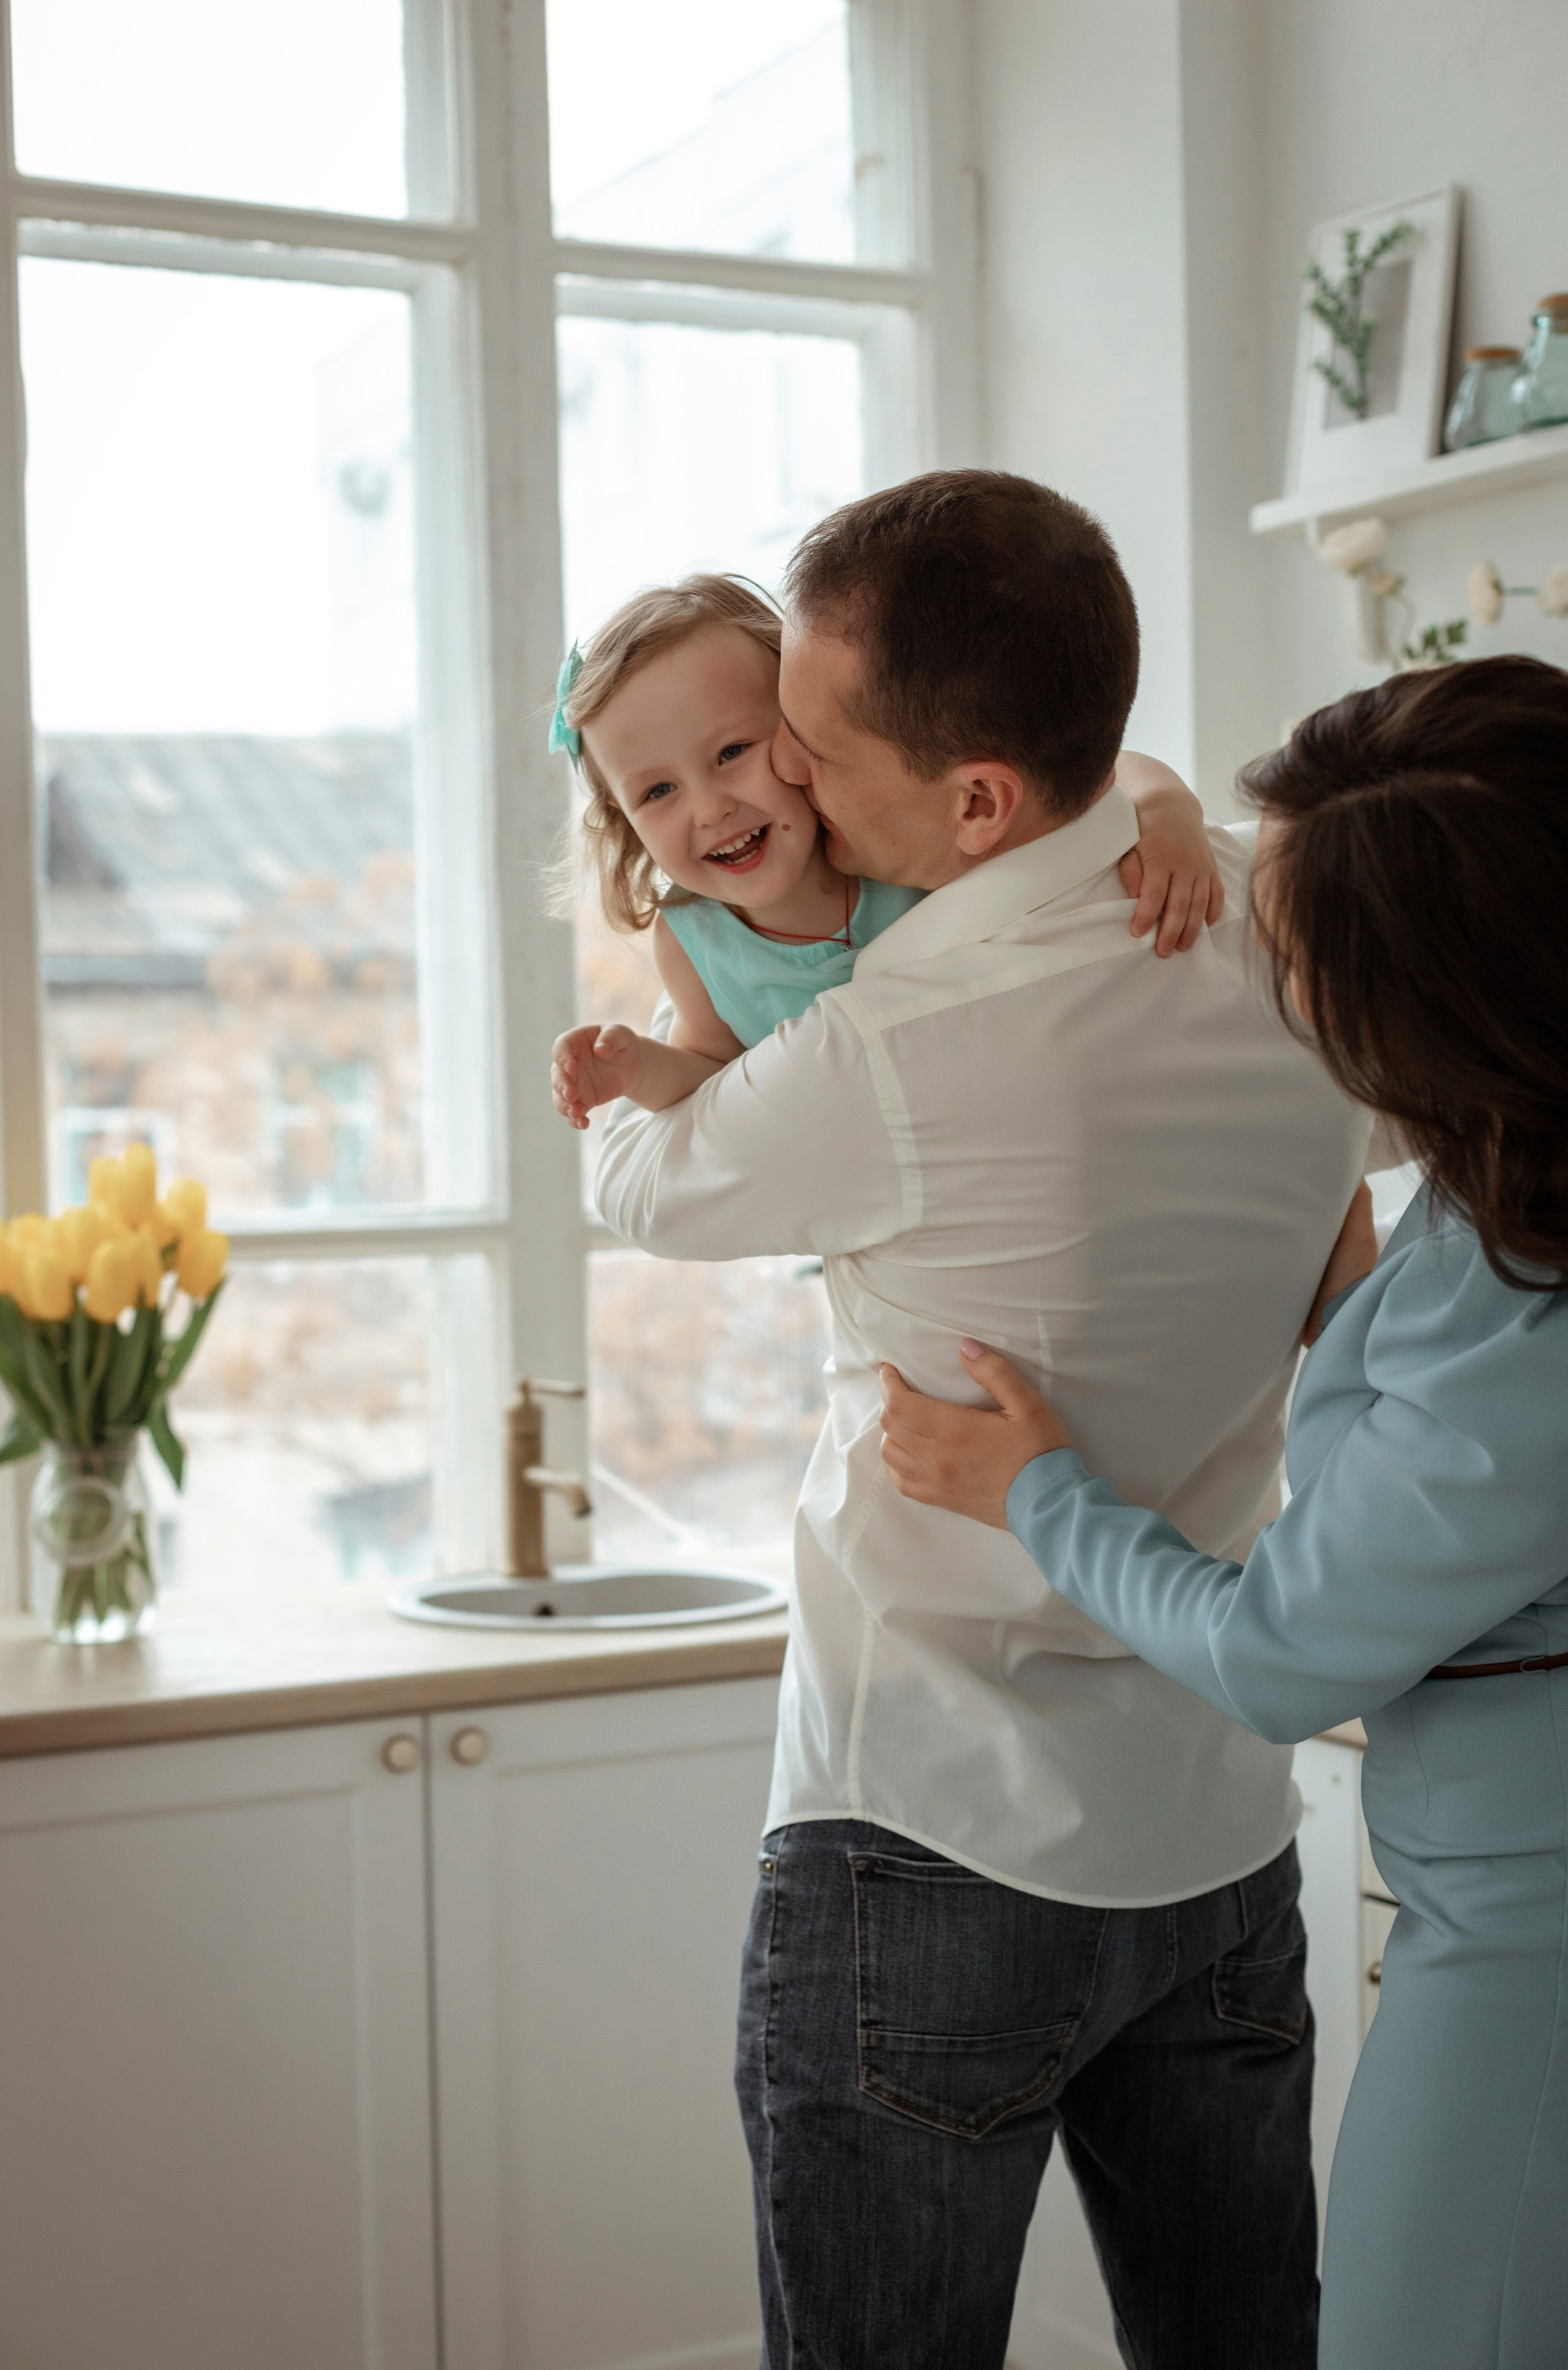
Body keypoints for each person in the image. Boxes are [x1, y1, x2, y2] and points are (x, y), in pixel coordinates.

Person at [592, 470, 1372, 2370]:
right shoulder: (1293, 931)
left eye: (814, 742)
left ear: (973, 798)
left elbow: (650, 1187)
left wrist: (637, 1061)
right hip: (1212, 1827)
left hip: (923, 1824)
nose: (781, 778)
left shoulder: (876, 1051)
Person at [877, 653, 1568, 2370]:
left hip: (1530, 1954)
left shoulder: (1527, 1303)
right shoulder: (1497, 1194)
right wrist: (1159, 800)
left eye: (1306, 954)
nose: (1277, 980)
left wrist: (1035, 1489)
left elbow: (1276, 1649)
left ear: (1430, 993)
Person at [544, 572, 1221, 1129]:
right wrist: (636, 1069)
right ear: (623, 821)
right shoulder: (693, 941)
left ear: (801, 730)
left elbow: (1091, 772)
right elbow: (711, 1073)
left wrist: (1165, 810)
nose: (709, 807)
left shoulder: (886, 844)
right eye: (658, 791)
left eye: (732, 752)